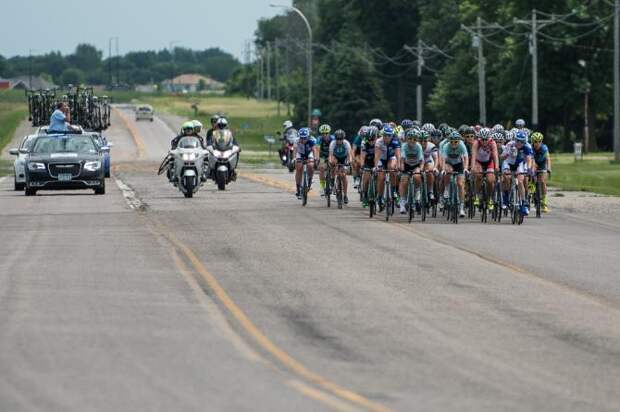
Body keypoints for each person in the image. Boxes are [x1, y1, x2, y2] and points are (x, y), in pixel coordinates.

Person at [501, 131, 533, 215]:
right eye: (517, 141)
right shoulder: (510, 144)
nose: (519, 143)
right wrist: (507, 153)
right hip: (508, 163)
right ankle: (506, 197)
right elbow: (502, 157)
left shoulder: (527, 147)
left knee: (520, 181)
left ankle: (523, 202)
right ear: (515, 140)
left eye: (521, 141)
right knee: (507, 178)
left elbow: (529, 159)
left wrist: (529, 168)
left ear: (524, 142)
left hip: (519, 164)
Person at [440, 131, 469, 218]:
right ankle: (447, 188)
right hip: (449, 163)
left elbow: (466, 158)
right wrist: (443, 169)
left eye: (456, 141)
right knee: (448, 171)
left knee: (460, 184)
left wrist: (466, 168)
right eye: (451, 141)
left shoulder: (462, 145)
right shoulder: (446, 146)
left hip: (458, 164)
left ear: (459, 141)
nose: (453, 144)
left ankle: (461, 208)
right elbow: (443, 159)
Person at [470, 127, 500, 211]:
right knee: (478, 175)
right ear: (480, 138)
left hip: (489, 162)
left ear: (489, 138)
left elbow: (495, 156)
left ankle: (490, 198)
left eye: (486, 139)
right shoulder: (476, 143)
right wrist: (472, 167)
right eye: (482, 139)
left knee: (490, 180)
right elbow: (473, 156)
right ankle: (476, 194)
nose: (484, 141)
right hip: (478, 162)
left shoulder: (492, 143)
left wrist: (497, 167)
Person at [374, 124, 401, 208]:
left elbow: (398, 155)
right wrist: (376, 166)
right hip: (381, 159)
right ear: (383, 135)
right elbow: (377, 156)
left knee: (392, 168)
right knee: (381, 177)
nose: (386, 137)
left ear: (391, 136)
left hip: (390, 158)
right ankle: (380, 197)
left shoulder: (395, 141)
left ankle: (393, 191)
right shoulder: (379, 141)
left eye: (389, 135)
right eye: (385, 135)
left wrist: (399, 166)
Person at [399, 129, 424, 214]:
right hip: (406, 165)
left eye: (414, 139)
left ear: (417, 140)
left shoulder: (418, 146)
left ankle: (417, 192)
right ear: (407, 139)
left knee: (417, 176)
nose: (412, 141)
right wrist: (402, 168)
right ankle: (402, 201)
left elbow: (421, 161)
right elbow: (402, 159)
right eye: (410, 138)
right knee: (404, 181)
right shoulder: (404, 146)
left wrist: (420, 169)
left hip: (416, 165)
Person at [329, 129, 354, 204]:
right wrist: (330, 162)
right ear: (335, 138)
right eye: (337, 139)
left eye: (340, 139)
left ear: (343, 138)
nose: (339, 140)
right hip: (336, 157)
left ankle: (345, 195)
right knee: (333, 163)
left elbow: (349, 155)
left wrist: (349, 162)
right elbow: (330, 155)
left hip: (344, 158)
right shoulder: (332, 143)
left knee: (343, 175)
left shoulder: (346, 143)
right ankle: (333, 180)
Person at [530, 132, 551, 213]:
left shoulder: (544, 148)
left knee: (542, 181)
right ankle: (532, 186)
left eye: (539, 141)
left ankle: (544, 203)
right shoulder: (530, 148)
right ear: (532, 141)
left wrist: (549, 168)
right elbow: (531, 160)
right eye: (535, 141)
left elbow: (548, 158)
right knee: (532, 175)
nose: (537, 143)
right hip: (533, 163)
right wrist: (532, 169)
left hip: (542, 164)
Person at [294, 127, 318, 199]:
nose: (303, 140)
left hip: (309, 153)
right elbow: (295, 150)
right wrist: (294, 158)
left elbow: (314, 149)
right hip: (300, 153)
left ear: (308, 137)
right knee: (298, 168)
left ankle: (310, 181)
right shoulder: (296, 140)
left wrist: (315, 158)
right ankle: (298, 188)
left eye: (305, 138)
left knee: (310, 165)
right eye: (301, 138)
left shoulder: (312, 140)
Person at [360, 126, 379, 207]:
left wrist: (377, 166)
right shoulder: (364, 143)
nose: (371, 142)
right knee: (366, 177)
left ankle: (378, 195)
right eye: (369, 139)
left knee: (380, 177)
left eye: (372, 139)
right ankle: (364, 194)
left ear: (376, 137)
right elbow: (362, 156)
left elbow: (379, 156)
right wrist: (362, 166)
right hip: (368, 161)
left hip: (377, 161)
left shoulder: (379, 142)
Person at [419, 130, 438, 202]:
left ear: (428, 140)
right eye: (421, 140)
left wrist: (435, 167)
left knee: (430, 172)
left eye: (425, 140)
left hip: (428, 161)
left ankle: (430, 191)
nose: (423, 143)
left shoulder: (432, 146)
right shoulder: (416, 146)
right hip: (418, 162)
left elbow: (436, 159)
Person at [317, 124, 335, 196]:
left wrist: (332, 158)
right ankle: (322, 186)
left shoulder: (333, 138)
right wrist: (317, 158)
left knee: (334, 166)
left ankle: (332, 183)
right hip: (322, 156)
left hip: (331, 154)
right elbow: (317, 149)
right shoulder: (319, 139)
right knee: (321, 167)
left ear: (329, 133)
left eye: (326, 133)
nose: (324, 135)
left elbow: (335, 149)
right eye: (323, 133)